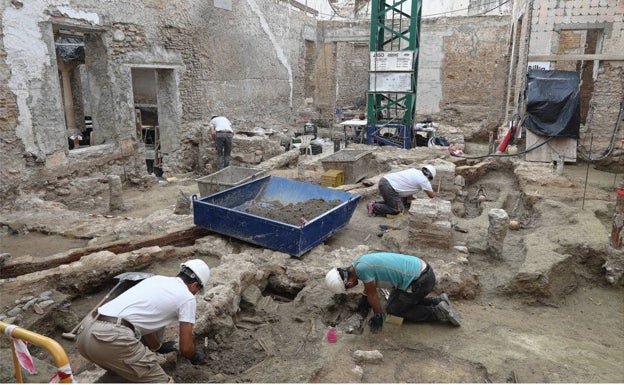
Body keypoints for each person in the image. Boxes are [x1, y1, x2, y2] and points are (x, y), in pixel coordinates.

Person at [77, 259, 211, 383]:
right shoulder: (187, 298)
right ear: (194, 285)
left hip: (86, 332)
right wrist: (195, 357)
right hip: (112, 337)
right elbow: (186, 348)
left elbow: (142, 320)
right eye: (197, 291)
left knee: (124, 374)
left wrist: (157, 347)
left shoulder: (156, 280)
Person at [325, 252, 461, 334]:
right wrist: (364, 299)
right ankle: (437, 301)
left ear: (347, 283)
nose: (350, 288)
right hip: (423, 272)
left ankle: (437, 312)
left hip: (420, 281)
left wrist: (378, 315)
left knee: (393, 310)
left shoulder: (362, 269)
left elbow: (373, 294)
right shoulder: (359, 264)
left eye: (347, 288)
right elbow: (369, 287)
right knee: (399, 301)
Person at [367, 165, 437, 217]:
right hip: (389, 187)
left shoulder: (414, 171)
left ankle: (374, 203)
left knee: (396, 202)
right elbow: (432, 196)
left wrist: (409, 201)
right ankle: (374, 207)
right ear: (430, 177)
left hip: (385, 181)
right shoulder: (424, 180)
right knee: (398, 210)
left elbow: (409, 186)